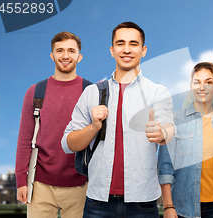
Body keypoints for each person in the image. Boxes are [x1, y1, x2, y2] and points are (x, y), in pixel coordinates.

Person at [61, 22, 175, 217]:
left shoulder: (157, 92)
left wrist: (162, 133)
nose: (127, 49)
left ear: (143, 50)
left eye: (133, 43)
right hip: (97, 202)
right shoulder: (92, 93)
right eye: (121, 44)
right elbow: (68, 144)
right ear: (112, 50)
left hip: (143, 204)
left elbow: (169, 128)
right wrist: (93, 127)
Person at [15, 31, 89, 218]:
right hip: (39, 185)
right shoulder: (35, 92)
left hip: (81, 185)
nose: (65, 56)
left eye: (71, 51)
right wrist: (21, 181)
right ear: (52, 55)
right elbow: (25, 139)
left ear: (79, 56)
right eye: (60, 50)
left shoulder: (90, 92)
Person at [159, 62, 213, 218]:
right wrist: (168, 206)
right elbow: (166, 168)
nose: (202, 87)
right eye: (197, 82)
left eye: (208, 82)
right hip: (182, 208)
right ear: (191, 86)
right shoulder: (175, 121)